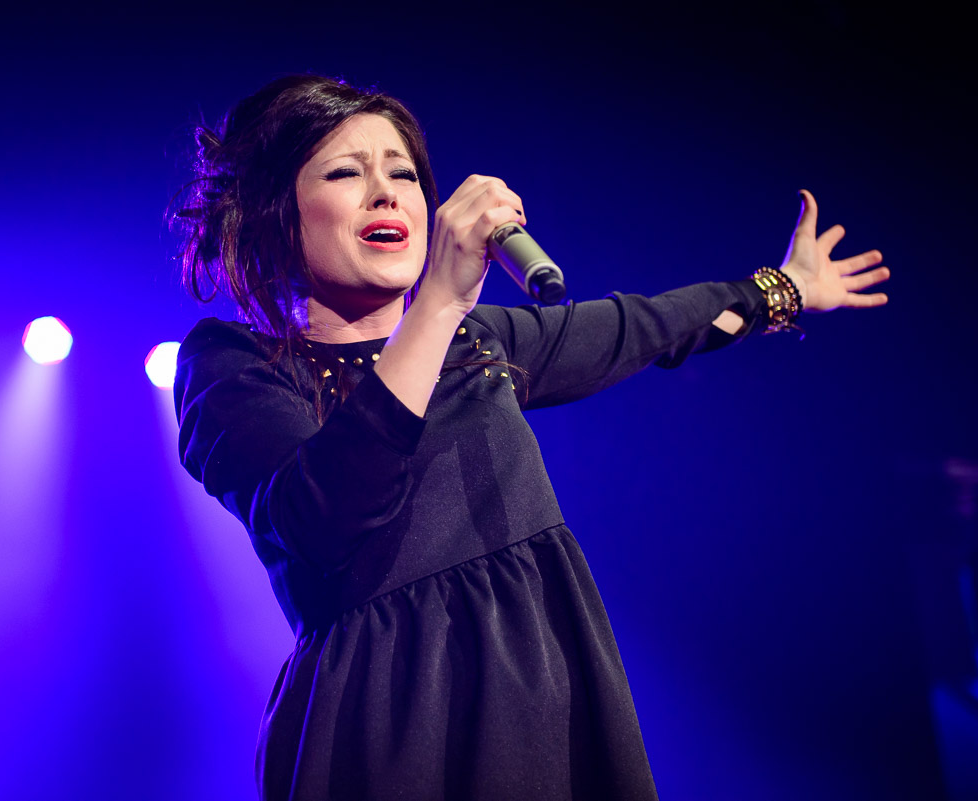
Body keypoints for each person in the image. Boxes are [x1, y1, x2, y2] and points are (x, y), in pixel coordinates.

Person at [170, 74, 890, 801]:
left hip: (544, 693)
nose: (386, 193)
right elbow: (321, 516)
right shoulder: (232, 363)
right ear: (275, 211)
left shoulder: (481, 342)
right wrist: (440, 304)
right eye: (345, 173)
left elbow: (643, 325)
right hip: (385, 720)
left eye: (403, 173)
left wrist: (780, 290)